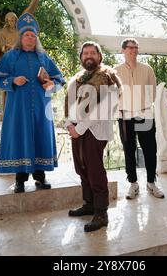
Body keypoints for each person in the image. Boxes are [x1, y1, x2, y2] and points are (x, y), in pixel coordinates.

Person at [0, 11, 65, 193]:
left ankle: (40, 178)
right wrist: (13, 81)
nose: (30, 38)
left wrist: (51, 85)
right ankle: (20, 180)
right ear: (21, 37)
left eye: (33, 36)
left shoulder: (44, 58)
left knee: (40, 136)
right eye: (26, 35)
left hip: (42, 107)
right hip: (18, 109)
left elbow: (59, 79)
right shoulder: (9, 57)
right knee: (20, 137)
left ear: (36, 38)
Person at [65, 41, 121, 232]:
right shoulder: (77, 79)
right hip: (77, 130)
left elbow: (105, 107)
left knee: (95, 170)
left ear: (99, 57)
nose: (89, 56)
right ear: (81, 58)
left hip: (95, 130)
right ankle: (89, 204)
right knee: (82, 168)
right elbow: (68, 103)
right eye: (85, 53)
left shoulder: (108, 76)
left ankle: (101, 213)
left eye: (92, 53)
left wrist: (79, 128)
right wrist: (69, 124)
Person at [115, 38, 165, 200]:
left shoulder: (147, 69)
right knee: (129, 150)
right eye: (130, 48)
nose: (134, 51)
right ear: (123, 50)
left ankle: (151, 182)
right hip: (124, 117)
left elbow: (153, 93)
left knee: (150, 149)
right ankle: (133, 184)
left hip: (144, 114)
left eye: (136, 48)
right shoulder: (115, 71)